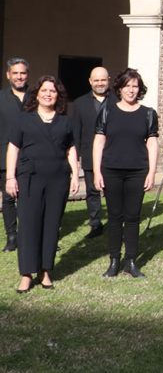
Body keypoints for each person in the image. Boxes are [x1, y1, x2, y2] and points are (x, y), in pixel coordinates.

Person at [5, 76, 79, 293]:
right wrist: (10, 177)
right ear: (36, 94)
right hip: (29, 178)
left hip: (58, 178)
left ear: (58, 96)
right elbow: (13, 148)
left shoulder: (66, 121)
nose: (48, 94)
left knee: (51, 224)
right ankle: (26, 274)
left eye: (53, 91)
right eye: (44, 90)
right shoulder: (23, 119)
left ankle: (45, 270)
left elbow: (71, 149)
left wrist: (75, 175)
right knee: (28, 225)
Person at [92, 68, 158, 278]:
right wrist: (97, 172)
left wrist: (152, 172)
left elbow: (152, 144)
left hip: (137, 171)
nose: (131, 90)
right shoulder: (107, 111)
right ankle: (114, 260)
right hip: (111, 170)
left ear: (140, 89)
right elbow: (99, 141)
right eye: (127, 86)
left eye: (135, 86)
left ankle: (130, 261)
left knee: (132, 217)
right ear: (119, 88)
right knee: (114, 217)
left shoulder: (148, 114)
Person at [70, 66, 111, 239]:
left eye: (103, 80)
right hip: (89, 156)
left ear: (108, 80)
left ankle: (115, 222)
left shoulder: (118, 101)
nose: (100, 83)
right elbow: (76, 132)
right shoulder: (79, 103)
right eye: (96, 80)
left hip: (112, 155)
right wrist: (76, 158)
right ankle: (95, 224)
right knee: (93, 192)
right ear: (90, 81)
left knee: (112, 191)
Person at [1, 57, 29, 253]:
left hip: (32, 156)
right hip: (5, 156)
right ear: (8, 75)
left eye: (23, 73)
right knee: (8, 198)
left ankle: (31, 235)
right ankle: (12, 236)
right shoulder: (1, 98)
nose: (19, 76)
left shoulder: (36, 97)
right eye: (15, 73)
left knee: (31, 198)